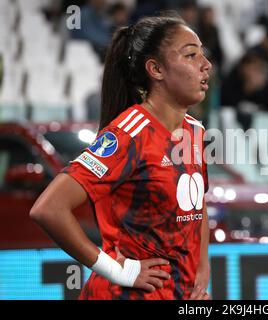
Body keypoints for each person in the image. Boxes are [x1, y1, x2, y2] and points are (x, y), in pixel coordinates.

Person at [30, 15, 212, 300]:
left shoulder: (195, 132)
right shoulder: (128, 135)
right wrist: (117, 270)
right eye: (191, 54)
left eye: (203, 53)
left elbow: (196, 204)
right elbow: (48, 209)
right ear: (156, 69)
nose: (206, 64)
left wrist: (201, 274)